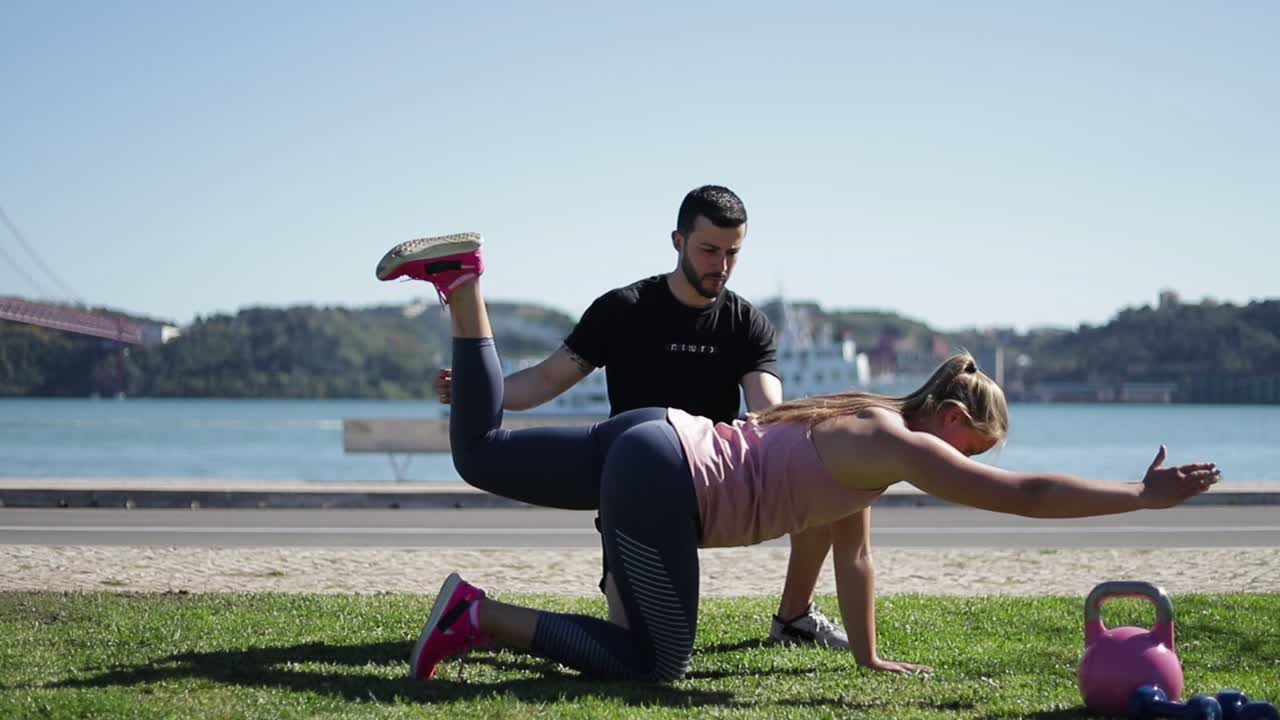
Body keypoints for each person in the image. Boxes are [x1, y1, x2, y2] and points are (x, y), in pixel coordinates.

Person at [376, 233, 1222, 683]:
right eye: (978, 443)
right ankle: (474, 619)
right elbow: (1023, 495)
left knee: (481, 453)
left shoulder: (862, 431)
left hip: (655, 436)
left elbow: (850, 559)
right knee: (654, 663)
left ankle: (464, 285)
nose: (972, 459)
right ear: (956, 416)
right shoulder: (891, 439)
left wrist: (868, 656)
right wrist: (1136, 498)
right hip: (667, 475)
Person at [413, 185, 850, 649]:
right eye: (708, 250)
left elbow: (767, 411)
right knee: (634, 644)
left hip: (708, 490)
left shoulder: (747, 324)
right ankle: (463, 286)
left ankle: (794, 618)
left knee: (819, 478)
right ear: (678, 241)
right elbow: (544, 382)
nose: (720, 266)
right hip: (631, 489)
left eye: (732, 253)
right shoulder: (624, 309)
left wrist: (823, 446)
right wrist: (477, 389)